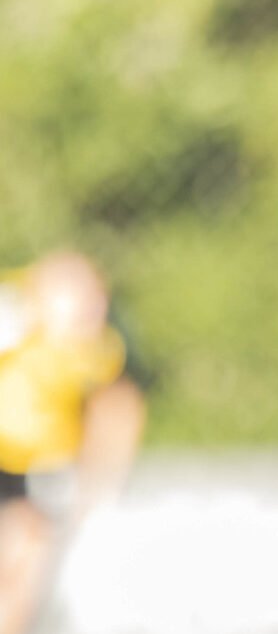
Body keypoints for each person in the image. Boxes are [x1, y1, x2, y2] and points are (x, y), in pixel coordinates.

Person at [0, 251, 146, 634]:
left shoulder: (93, 353)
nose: (94, 309)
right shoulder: (14, 318)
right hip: (15, 462)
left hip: (34, 467)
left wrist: (98, 484)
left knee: (23, 561)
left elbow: (117, 408)